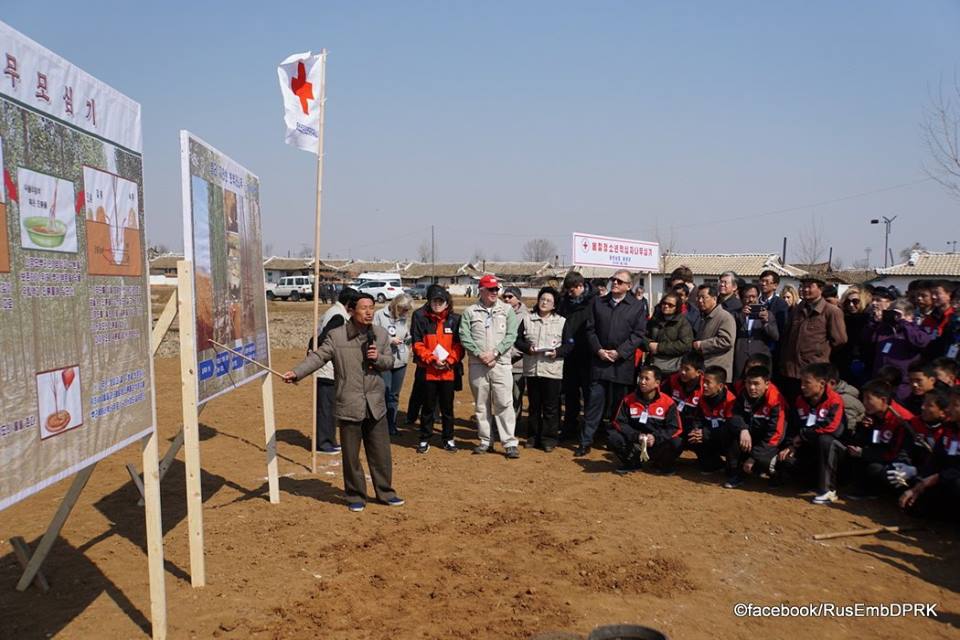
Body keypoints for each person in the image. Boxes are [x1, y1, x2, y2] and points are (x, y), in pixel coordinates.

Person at [282, 293, 403, 512]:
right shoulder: (337, 337)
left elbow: (389, 361)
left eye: (371, 307)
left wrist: (378, 359)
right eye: (363, 307)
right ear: (352, 310)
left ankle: (386, 492)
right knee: (350, 455)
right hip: (349, 402)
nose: (368, 312)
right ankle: (355, 495)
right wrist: (297, 373)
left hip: (375, 403)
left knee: (381, 453)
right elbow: (318, 357)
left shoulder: (381, 334)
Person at [577, 269, 647, 456]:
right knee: (594, 403)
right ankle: (586, 441)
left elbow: (638, 334)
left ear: (628, 286)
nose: (614, 283)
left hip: (621, 364)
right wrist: (599, 350)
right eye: (613, 280)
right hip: (600, 361)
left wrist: (619, 353)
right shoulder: (598, 303)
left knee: (618, 406)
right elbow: (590, 329)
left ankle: (615, 439)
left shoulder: (637, 306)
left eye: (619, 281)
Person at [459, 274, 522, 458]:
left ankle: (509, 442)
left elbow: (511, 335)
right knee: (481, 404)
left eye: (497, 289)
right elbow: (465, 336)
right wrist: (480, 354)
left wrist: (495, 353)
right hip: (478, 364)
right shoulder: (470, 312)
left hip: (500, 364)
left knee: (504, 403)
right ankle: (485, 440)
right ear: (482, 290)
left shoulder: (507, 311)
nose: (495, 293)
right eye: (491, 289)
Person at [778, 363, 845, 505]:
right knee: (786, 460)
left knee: (825, 440)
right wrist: (791, 445)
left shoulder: (835, 400)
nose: (802, 386)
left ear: (821, 384)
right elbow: (793, 426)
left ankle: (828, 490)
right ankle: (810, 481)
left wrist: (802, 435)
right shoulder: (800, 400)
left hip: (835, 452)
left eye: (807, 383)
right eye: (801, 382)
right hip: (809, 448)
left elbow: (831, 428)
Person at [842, 379, 916, 500]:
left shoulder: (901, 420)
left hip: (900, 464)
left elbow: (896, 453)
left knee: (873, 467)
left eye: (868, 399)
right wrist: (865, 428)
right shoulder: (875, 415)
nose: (864, 403)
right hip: (881, 452)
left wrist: (864, 453)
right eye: (863, 398)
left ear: (883, 400)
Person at [515, 287, 569, 451]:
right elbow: (518, 340)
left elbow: (570, 344)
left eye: (548, 301)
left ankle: (549, 439)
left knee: (551, 407)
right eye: (542, 299)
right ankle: (532, 437)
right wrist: (527, 348)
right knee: (534, 405)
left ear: (554, 305)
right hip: (532, 369)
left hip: (552, 370)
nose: (544, 302)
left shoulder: (562, 321)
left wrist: (558, 352)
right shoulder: (527, 319)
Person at [411, 285, 463, 454]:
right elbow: (417, 344)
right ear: (429, 302)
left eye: (441, 301)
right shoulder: (420, 318)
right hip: (429, 370)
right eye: (434, 301)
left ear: (447, 303)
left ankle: (448, 438)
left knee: (447, 408)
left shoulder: (455, 319)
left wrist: (449, 361)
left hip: (448, 372)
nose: (437, 304)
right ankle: (424, 439)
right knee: (428, 408)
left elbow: (458, 345)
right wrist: (431, 360)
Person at [778, 276, 847, 402]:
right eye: (803, 286)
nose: (805, 290)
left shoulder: (831, 311)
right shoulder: (797, 309)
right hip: (791, 371)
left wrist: (820, 353)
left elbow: (839, 340)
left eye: (809, 287)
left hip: (814, 373)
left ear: (820, 289)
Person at [310, 286, 359, 455]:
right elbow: (323, 339)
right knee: (326, 407)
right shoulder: (338, 317)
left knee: (330, 406)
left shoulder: (335, 312)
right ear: (348, 304)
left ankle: (329, 439)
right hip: (326, 369)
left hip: (327, 367)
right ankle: (323, 443)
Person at [607, 365, 683, 475]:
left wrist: (655, 437)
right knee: (613, 436)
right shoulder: (628, 399)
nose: (642, 382)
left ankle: (661, 463)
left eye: (647, 379)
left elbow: (675, 428)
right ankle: (632, 463)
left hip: (657, 444)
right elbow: (619, 422)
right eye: (640, 378)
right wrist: (637, 435)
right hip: (635, 443)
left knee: (677, 442)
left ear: (657, 383)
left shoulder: (668, 402)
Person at [899, 387, 960, 520]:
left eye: (955, 405)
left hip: (951, 478)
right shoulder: (949, 428)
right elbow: (935, 459)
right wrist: (920, 483)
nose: (949, 409)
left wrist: (935, 478)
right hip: (942, 478)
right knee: (914, 506)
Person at [723, 365, 788, 489]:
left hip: (770, 444)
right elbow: (734, 414)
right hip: (751, 436)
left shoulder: (776, 401)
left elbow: (775, 435)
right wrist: (743, 429)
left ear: (767, 383)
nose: (752, 388)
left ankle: (777, 475)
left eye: (756, 384)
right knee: (728, 429)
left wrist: (753, 458)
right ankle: (736, 473)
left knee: (764, 461)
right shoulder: (744, 394)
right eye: (748, 383)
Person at [863, 298, 935, 401]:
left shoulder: (915, 330)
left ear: (909, 316)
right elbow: (866, 341)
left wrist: (904, 323)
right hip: (881, 383)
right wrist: (874, 322)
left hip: (903, 385)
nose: (894, 317)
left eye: (897, 314)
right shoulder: (884, 329)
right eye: (891, 313)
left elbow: (921, 342)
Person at [557, 271, 594, 442]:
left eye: (572, 290)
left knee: (588, 395)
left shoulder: (593, 302)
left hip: (588, 354)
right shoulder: (563, 303)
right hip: (568, 354)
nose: (569, 294)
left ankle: (588, 430)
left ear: (580, 286)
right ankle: (569, 426)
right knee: (570, 394)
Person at [374, 293, 413, 435]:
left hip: (400, 360)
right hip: (385, 360)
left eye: (407, 310)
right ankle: (380, 425)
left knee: (394, 395)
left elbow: (406, 334)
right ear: (396, 306)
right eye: (404, 309)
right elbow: (373, 335)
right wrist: (390, 340)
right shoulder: (379, 315)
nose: (405, 312)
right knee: (385, 392)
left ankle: (391, 424)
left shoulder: (403, 318)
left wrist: (408, 340)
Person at [687, 365, 735, 472]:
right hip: (710, 435)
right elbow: (697, 419)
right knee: (692, 435)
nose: (704, 385)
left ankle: (733, 466)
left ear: (720, 386)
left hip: (725, 440)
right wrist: (696, 430)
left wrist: (706, 433)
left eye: (708, 383)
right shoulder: (703, 398)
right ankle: (714, 463)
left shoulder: (731, 401)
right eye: (703, 381)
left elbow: (730, 429)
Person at [733, 283, 779, 380]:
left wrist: (765, 322)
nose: (750, 300)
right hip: (741, 359)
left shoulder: (767, 314)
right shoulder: (736, 314)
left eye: (753, 296)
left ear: (758, 297)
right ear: (742, 299)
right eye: (747, 297)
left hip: (760, 358)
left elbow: (775, 336)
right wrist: (742, 316)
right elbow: (733, 333)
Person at [692, 284, 736, 381]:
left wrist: (702, 345)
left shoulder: (725, 317)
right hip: (705, 369)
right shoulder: (704, 316)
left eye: (703, 298)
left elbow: (726, 341)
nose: (700, 301)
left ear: (714, 298)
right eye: (698, 298)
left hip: (717, 372)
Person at [642, 292, 693, 374]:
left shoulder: (683, 322)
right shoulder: (655, 320)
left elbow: (686, 345)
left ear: (677, 307)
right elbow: (642, 336)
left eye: (670, 305)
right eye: (664, 303)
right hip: (653, 364)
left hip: (673, 367)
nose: (666, 306)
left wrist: (659, 347)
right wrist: (649, 344)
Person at [832, 285, 872, 386]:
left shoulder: (868, 321)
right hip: (841, 363)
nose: (851, 305)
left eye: (855, 301)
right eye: (847, 301)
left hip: (861, 363)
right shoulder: (841, 319)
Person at [502, 286, 529, 422]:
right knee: (501, 397)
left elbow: (526, 341)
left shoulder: (526, 317)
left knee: (515, 396)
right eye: (504, 297)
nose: (506, 299)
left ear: (518, 298)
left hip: (517, 365)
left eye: (510, 297)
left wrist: (510, 354)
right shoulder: (499, 312)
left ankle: (513, 425)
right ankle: (502, 424)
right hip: (500, 363)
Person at [758, 270, 790, 343]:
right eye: (761, 281)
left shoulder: (781, 304)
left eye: (767, 282)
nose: (763, 284)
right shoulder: (755, 302)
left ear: (775, 286)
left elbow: (782, 329)